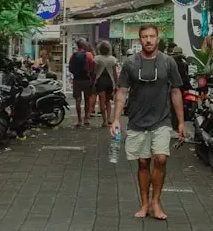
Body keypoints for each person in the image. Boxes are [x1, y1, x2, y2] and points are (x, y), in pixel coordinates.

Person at [111, 24, 185, 220]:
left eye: (152, 36)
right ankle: (144, 203)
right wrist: (116, 119)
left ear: (158, 38)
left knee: (161, 159)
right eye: (145, 37)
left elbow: (176, 91)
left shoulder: (168, 62)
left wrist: (181, 122)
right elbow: (122, 91)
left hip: (162, 119)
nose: (149, 40)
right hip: (137, 120)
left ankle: (156, 202)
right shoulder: (130, 63)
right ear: (140, 39)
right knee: (143, 162)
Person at [91, 41, 120, 134]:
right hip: (110, 81)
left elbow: (95, 71)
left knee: (102, 101)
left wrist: (92, 82)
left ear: (100, 49)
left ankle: (104, 121)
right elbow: (115, 73)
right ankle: (108, 119)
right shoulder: (113, 59)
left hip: (100, 81)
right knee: (108, 101)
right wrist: (116, 84)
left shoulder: (97, 58)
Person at [68, 39, 96, 126]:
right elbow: (93, 67)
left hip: (77, 80)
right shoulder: (89, 55)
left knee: (78, 100)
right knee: (87, 99)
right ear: (84, 45)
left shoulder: (73, 56)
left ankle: (79, 120)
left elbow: (70, 68)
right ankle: (86, 119)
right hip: (86, 80)